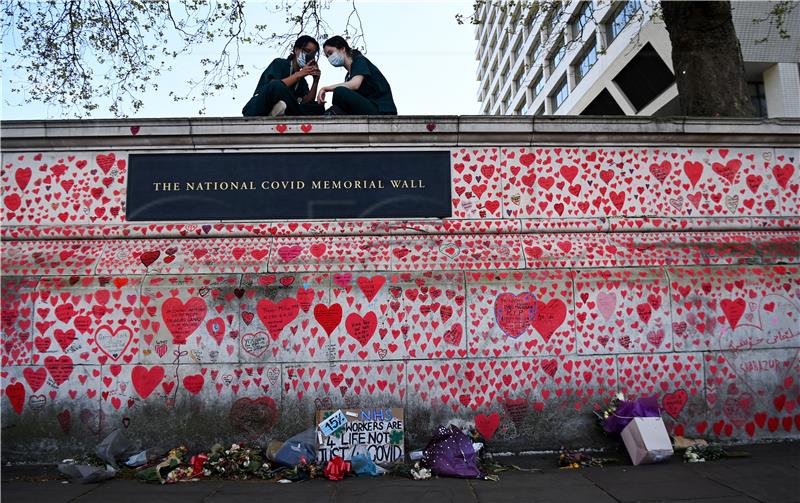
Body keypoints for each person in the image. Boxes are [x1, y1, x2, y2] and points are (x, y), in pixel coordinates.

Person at [242, 35, 323, 116]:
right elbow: (274, 88)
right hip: (259, 107)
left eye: (312, 55)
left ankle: (278, 110)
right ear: (296, 50)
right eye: (307, 51)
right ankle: (276, 109)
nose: (309, 56)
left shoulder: (302, 81)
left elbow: (307, 101)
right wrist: (298, 75)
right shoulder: (280, 63)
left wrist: (315, 81)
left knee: (317, 107)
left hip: (287, 108)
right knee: (277, 85)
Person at [316, 36, 397, 115]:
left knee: (340, 92)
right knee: (336, 106)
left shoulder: (359, 60)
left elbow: (355, 84)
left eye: (330, 53)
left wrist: (326, 88)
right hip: (367, 108)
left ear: (342, 49)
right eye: (327, 56)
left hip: (381, 110)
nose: (330, 58)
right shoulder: (348, 76)